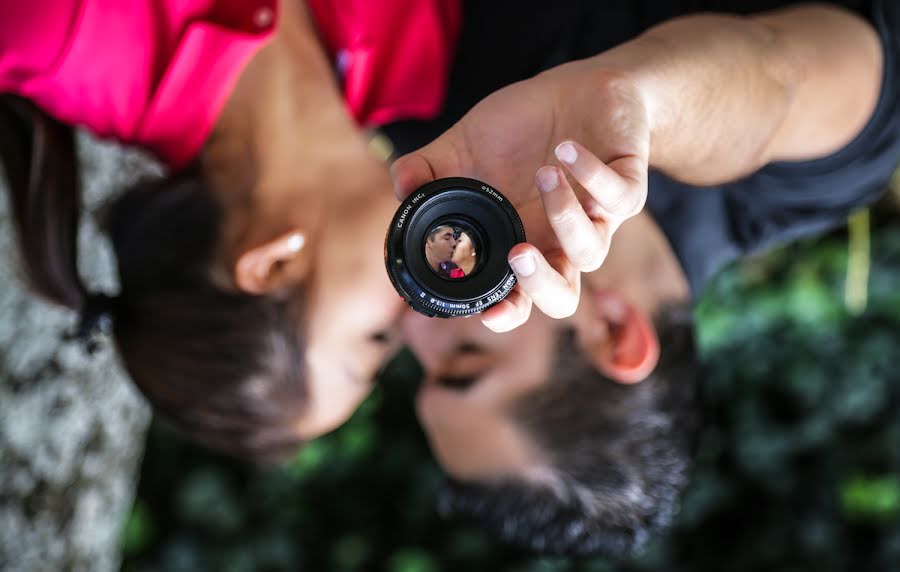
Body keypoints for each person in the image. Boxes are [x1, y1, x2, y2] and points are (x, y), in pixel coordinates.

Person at [392, 0, 900, 556]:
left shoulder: (438, 152)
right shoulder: (820, 177)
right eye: (465, 356)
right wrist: (635, 102)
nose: (415, 327)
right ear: (613, 331)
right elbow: (778, 78)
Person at [0, 0, 462, 459]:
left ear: (273, 265)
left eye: (377, 338)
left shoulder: (57, 31)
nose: (419, 320)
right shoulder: (418, 58)